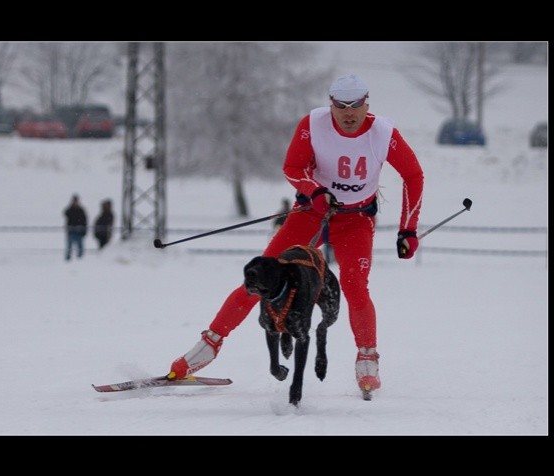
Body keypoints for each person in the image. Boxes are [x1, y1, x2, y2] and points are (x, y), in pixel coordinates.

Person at [167, 74, 424, 397]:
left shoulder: (384, 132)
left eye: (355, 106)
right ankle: (208, 346)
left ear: (366, 104)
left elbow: (413, 175)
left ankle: (367, 360)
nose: (348, 114)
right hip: (311, 214)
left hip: (356, 219)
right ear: (330, 104)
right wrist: (313, 190)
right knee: (262, 277)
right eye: (340, 106)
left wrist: (409, 229)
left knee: (355, 286)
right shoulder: (313, 123)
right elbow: (292, 167)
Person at [64, 194, 88, 260]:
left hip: (79, 232)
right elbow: (65, 213)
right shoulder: (70, 210)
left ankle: (80, 260)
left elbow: (84, 221)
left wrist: (84, 231)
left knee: (80, 247)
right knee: (69, 247)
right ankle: (68, 259)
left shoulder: (81, 210)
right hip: (71, 231)